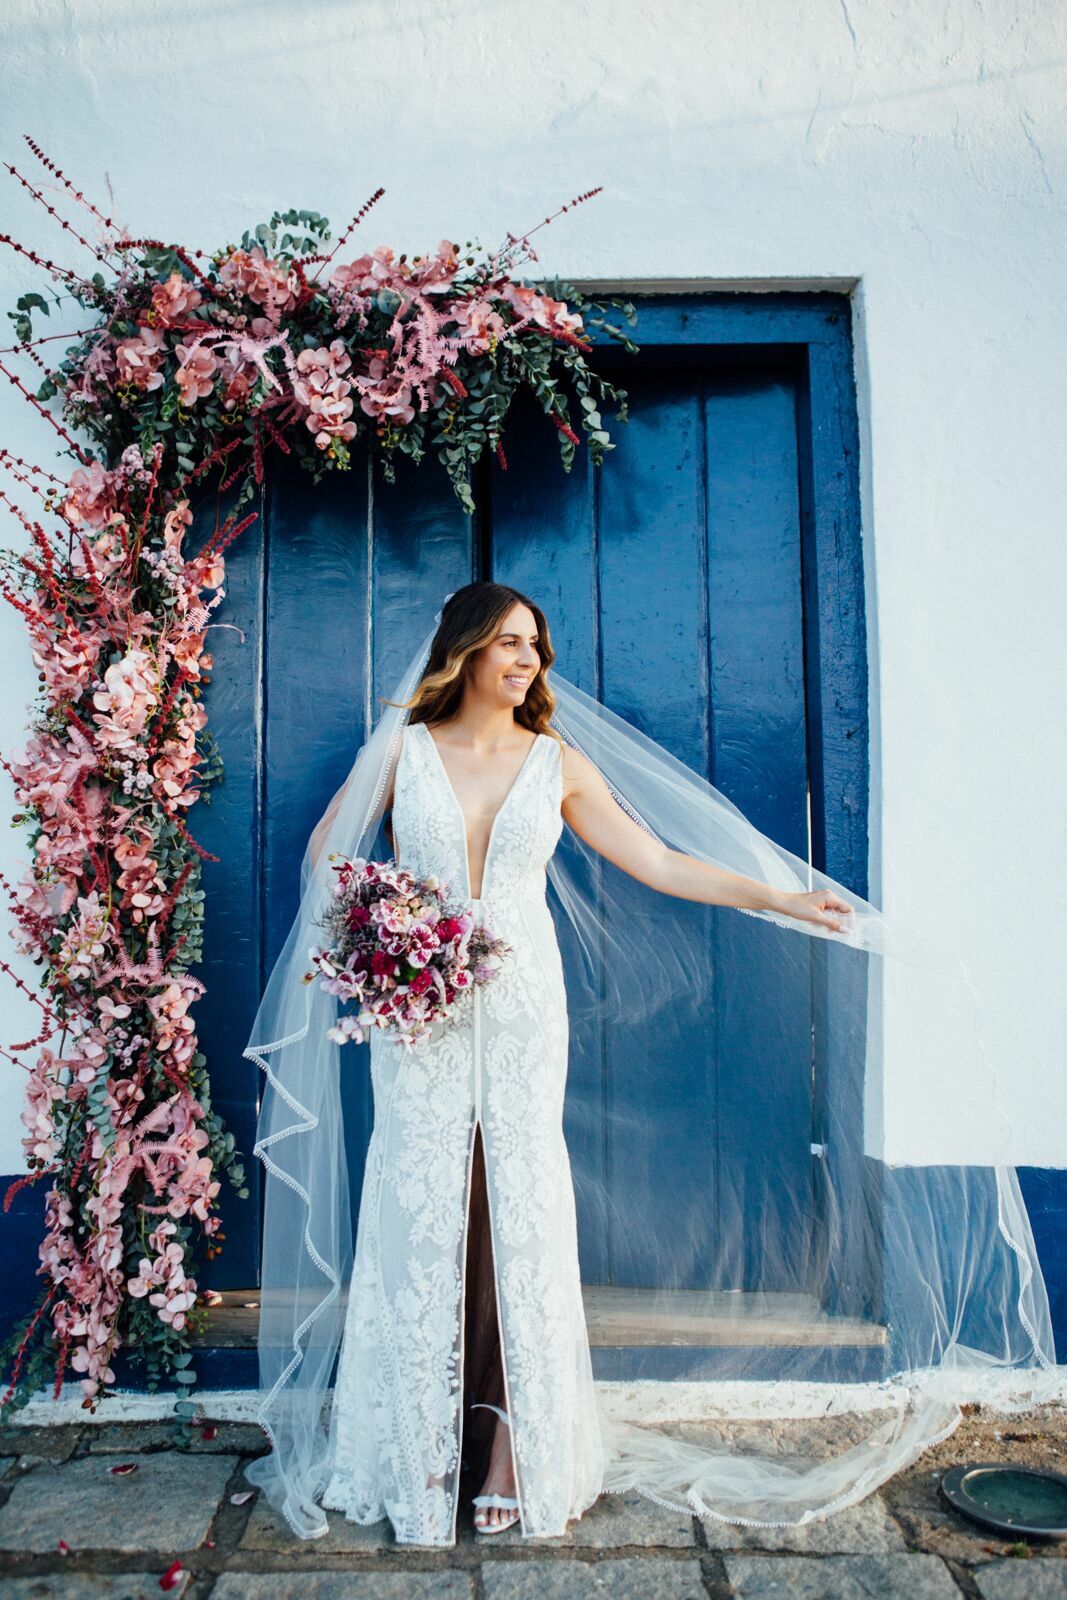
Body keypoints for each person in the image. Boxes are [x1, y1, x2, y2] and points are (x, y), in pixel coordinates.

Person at [241, 582, 1055, 1547]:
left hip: (519, 1007)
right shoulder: (403, 752)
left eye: (534, 647)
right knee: (422, 1203)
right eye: (505, 643)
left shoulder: (557, 764)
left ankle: (510, 1440)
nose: (524, 661)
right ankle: (415, 1436)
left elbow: (661, 862)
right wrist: (379, 935)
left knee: (519, 1202)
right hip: (415, 1013)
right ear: (461, 651)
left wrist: (777, 899)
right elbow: (327, 857)